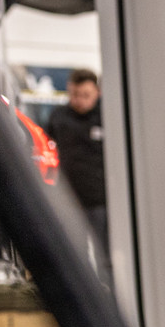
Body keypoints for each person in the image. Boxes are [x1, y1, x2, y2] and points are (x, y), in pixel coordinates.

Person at [47, 68, 106, 238]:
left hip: (100, 202)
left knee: (104, 255)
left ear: (97, 92)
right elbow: (47, 151)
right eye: (75, 94)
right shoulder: (58, 117)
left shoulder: (108, 116)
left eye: (85, 95)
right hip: (68, 199)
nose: (79, 100)